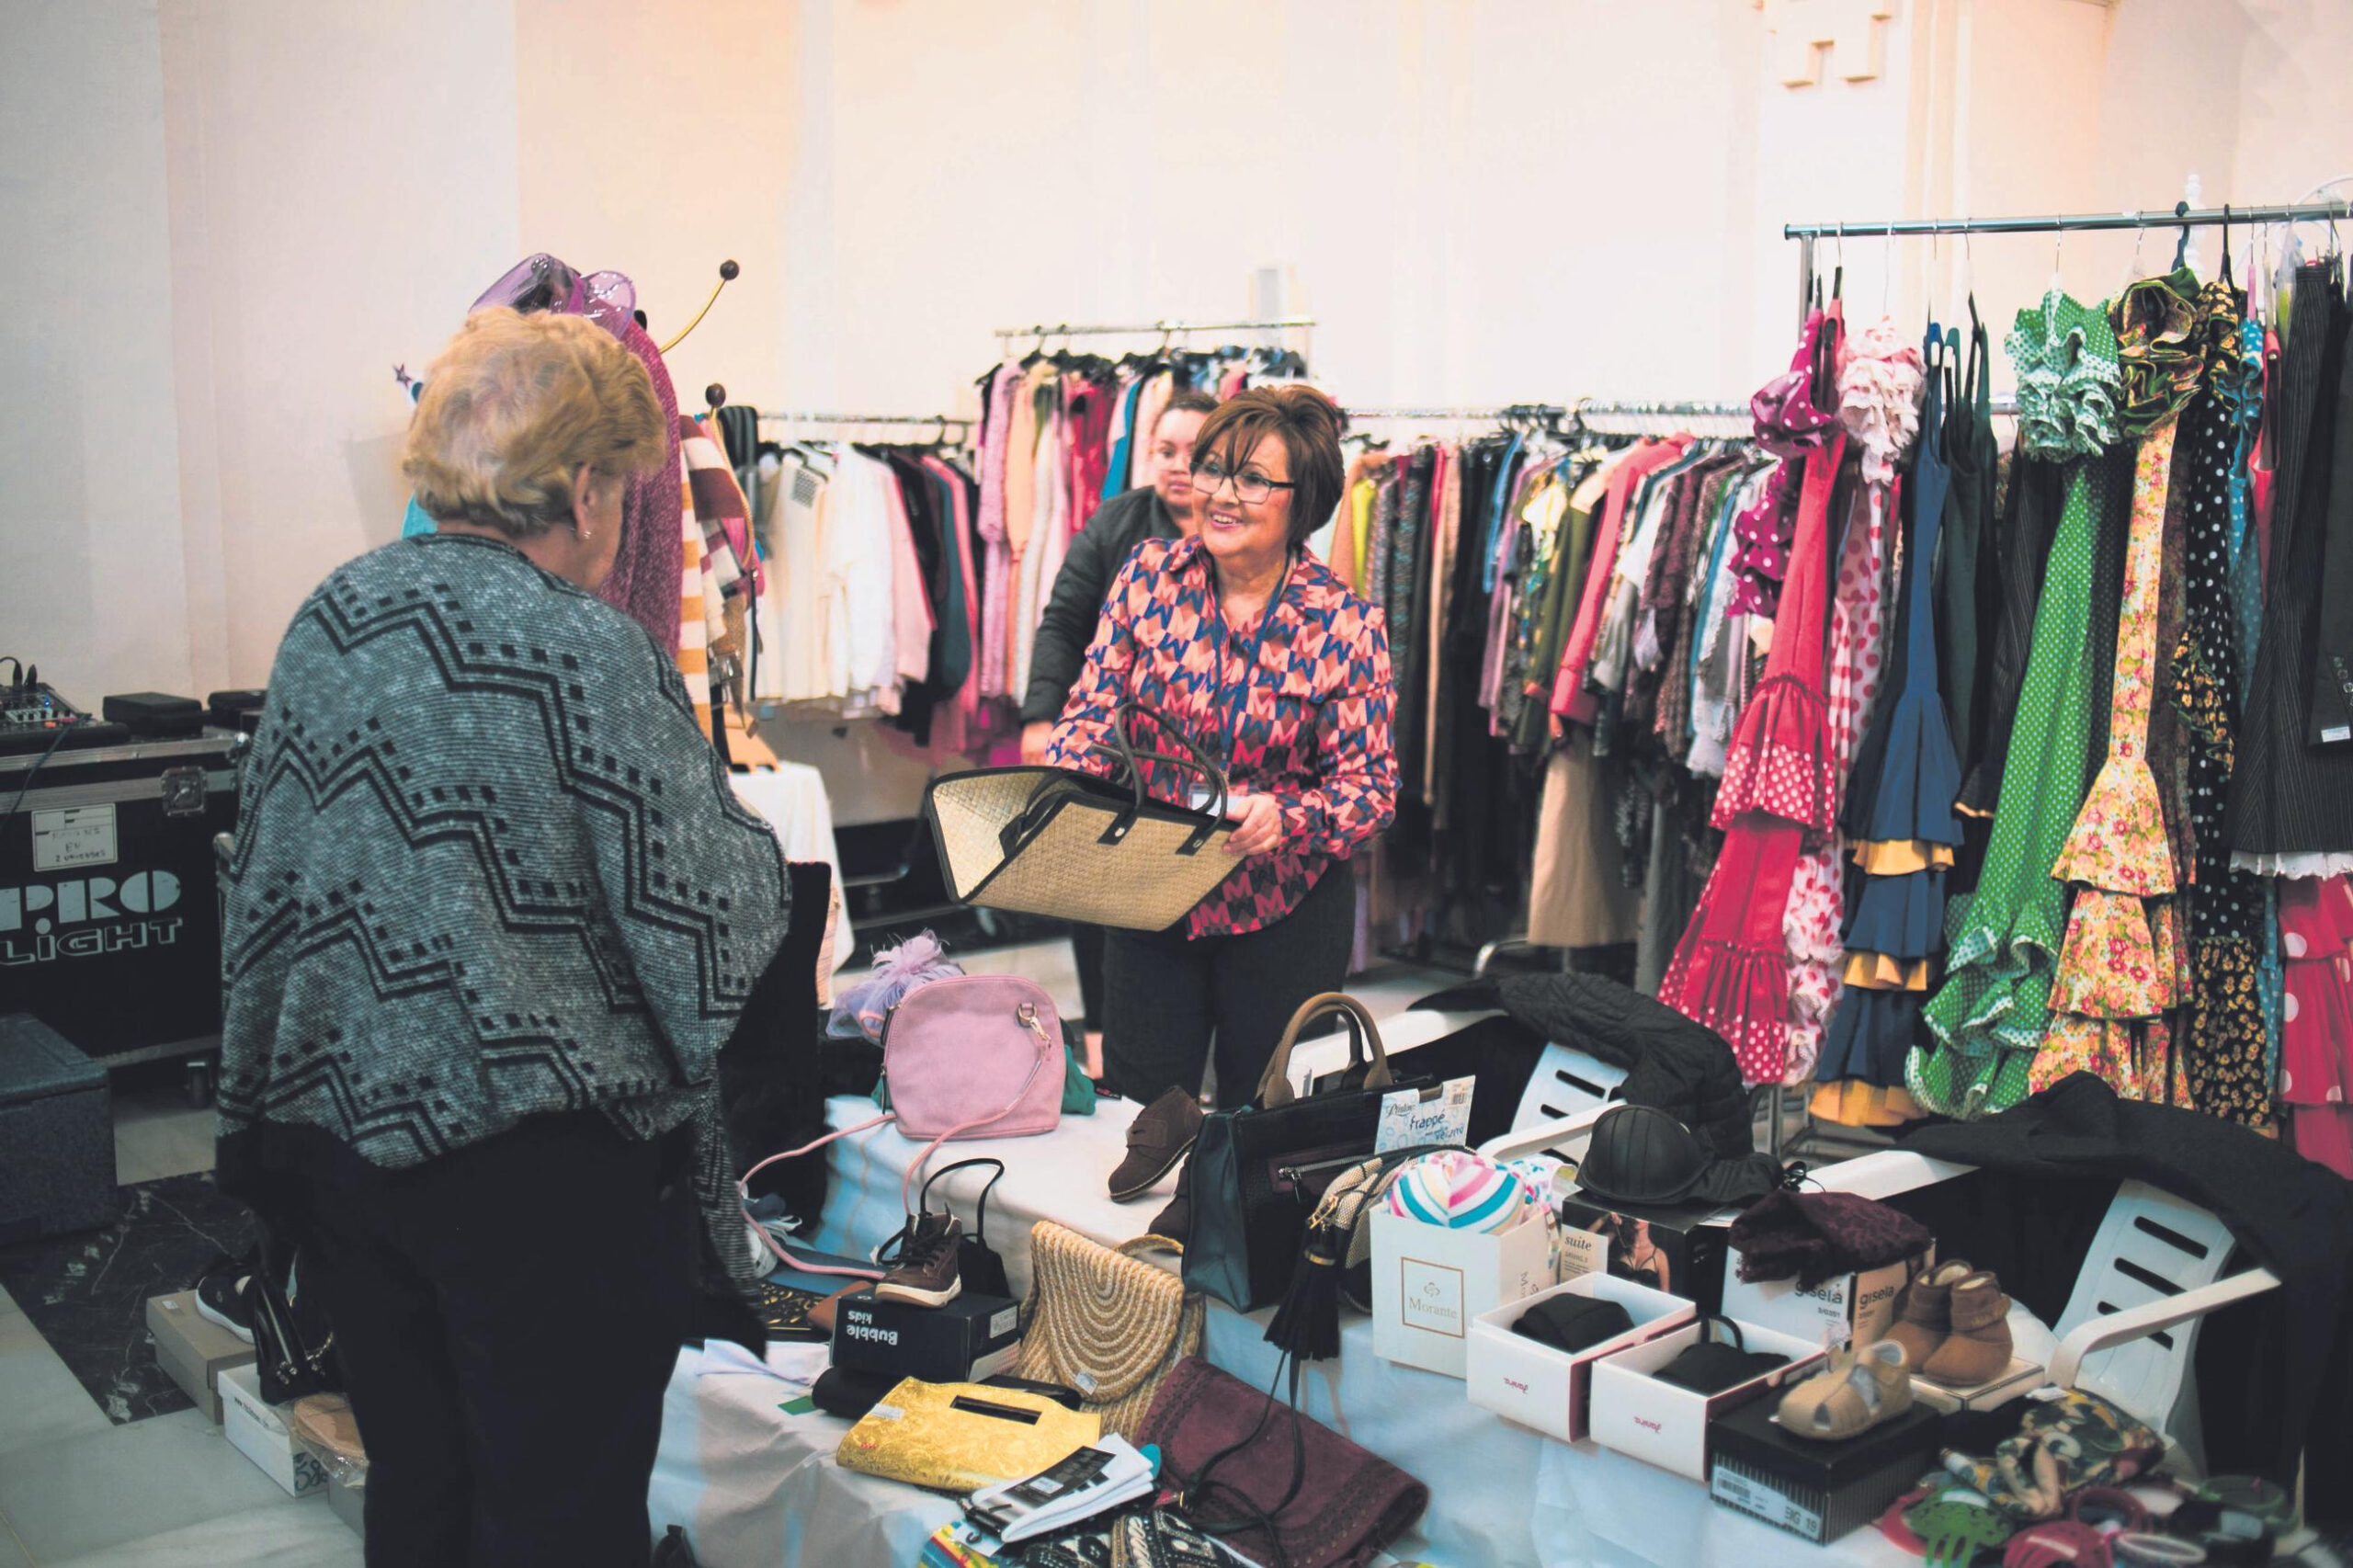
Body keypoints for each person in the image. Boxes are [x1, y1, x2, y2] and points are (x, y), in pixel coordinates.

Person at [216, 307, 794, 1568]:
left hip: (343, 1138)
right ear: (588, 488)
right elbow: (710, 915)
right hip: (534, 1178)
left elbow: (274, 877)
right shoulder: (585, 650)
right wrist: (750, 841)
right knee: (558, 1515)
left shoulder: (337, 612)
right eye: (630, 495)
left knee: (419, 1485)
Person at [1045, 385, 1398, 1108]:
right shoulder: (1146, 578)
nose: (1220, 495)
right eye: (1212, 470)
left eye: (1252, 480)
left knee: (1260, 1123)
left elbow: (1370, 790)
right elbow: (1090, 711)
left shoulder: (1345, 625)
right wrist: (1063, 782)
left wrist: (1288, 816)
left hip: (1282, 910)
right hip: (1149, 893)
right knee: (1140, 1119)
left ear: (1303, 503)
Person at [1021, 390, 1217, 1062]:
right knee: (1099, 895)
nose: (1179, 466)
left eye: (1196, 453)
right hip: (1116, 748)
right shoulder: (1116, 523)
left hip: (1208, 762)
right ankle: (1105, 1047)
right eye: (1165, 451)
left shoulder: (1242, 533)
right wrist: (1044, 717)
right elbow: (1064, 622)